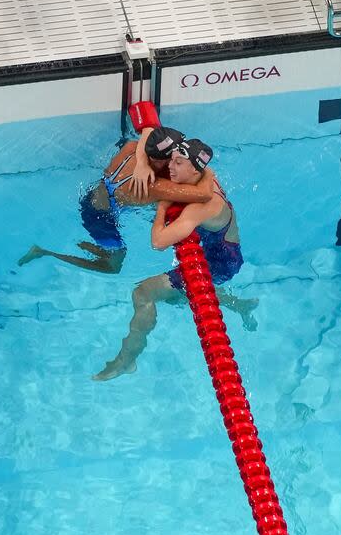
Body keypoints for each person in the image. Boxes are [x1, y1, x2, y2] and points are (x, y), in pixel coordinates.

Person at [93, 138, 251, 381]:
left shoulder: (202, 206)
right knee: (177, 297)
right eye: (172, 160)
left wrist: (163, 208)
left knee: (144, 293)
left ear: (194, 170)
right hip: (224, 246)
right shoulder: (205, 175)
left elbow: (158, 242)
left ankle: (128, 360)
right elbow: (207, 169)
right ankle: (240, 305)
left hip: (218, 263)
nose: (170, 166)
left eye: (178, 162)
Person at [17, 125, 214, 272]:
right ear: (162, 160)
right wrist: (204, 169)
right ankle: (45, 252)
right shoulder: (153, 186)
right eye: (175, 157)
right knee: (114, 266)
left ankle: (93, 246)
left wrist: (142, 164)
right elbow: (204, 194)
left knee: (109, 248)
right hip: (101, 219)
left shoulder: (131, 149)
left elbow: (145, 135)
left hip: (90, 196)